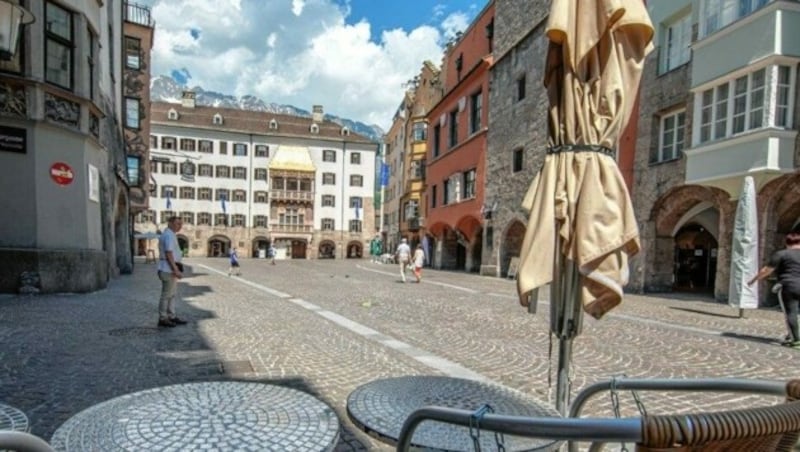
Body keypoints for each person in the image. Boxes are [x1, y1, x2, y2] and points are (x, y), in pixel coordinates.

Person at [749, 231, 800, 347]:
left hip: (789, 286)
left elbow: (766, 271)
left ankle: (796, 341)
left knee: (791, 313)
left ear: (787, 242)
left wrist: (753, 280)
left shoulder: (782, 254)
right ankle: (791, 334)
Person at [156, 216, 188, 328]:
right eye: (177, 223)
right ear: (170, 223)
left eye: (181, 224)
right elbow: (169, 253)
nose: (179, 226)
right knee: (166, 295)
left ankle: (171, 316)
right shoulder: (168, 235)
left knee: (172, 295)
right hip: (167, 269)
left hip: (169, 268)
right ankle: (163, 318)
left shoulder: (171, 234)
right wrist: (175, 270)